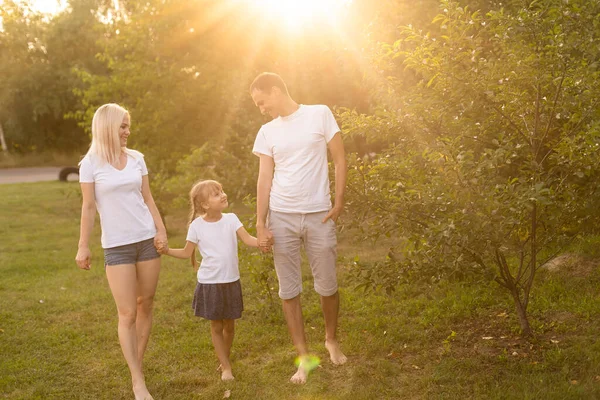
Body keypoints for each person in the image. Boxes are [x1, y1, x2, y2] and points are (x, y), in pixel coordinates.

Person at [250, 72, 348, 384]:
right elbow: (264, 178)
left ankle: (331, 341)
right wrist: (260, 223)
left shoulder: (319, 114)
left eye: (262, 102)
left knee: (327, 285)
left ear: (275, 91)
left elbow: (340, 157)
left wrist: (339, 201)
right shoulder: (267, 132)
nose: (261, 109)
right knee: (289, 290)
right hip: (282, 217)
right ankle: (304, 358)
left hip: (319, 214)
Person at [75, 103, 167, 400]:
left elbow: (148, 198)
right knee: (127, 312)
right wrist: (83, 245)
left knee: (146, 303)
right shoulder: (90, 163)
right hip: (116, 246)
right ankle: (138, 382)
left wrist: (161, 229)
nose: (128, 132)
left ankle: (136, 366)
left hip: (146, 239)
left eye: (128, 126)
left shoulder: (137, 159)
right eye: (122, 126)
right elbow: (88, 208)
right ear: (107, 127)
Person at [157, 180, 259, 381]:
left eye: (222, 190)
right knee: (216, 326)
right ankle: (226, 367)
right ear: (204, 204)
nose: (222, 195)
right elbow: (187, 253)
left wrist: (263, 242)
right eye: (216, 194)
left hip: (231, 281)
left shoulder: (231, 219)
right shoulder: (197, 226)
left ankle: (224, 359)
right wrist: (167, 251)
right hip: (210, 283)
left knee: (230, 325)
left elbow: (248, 240)